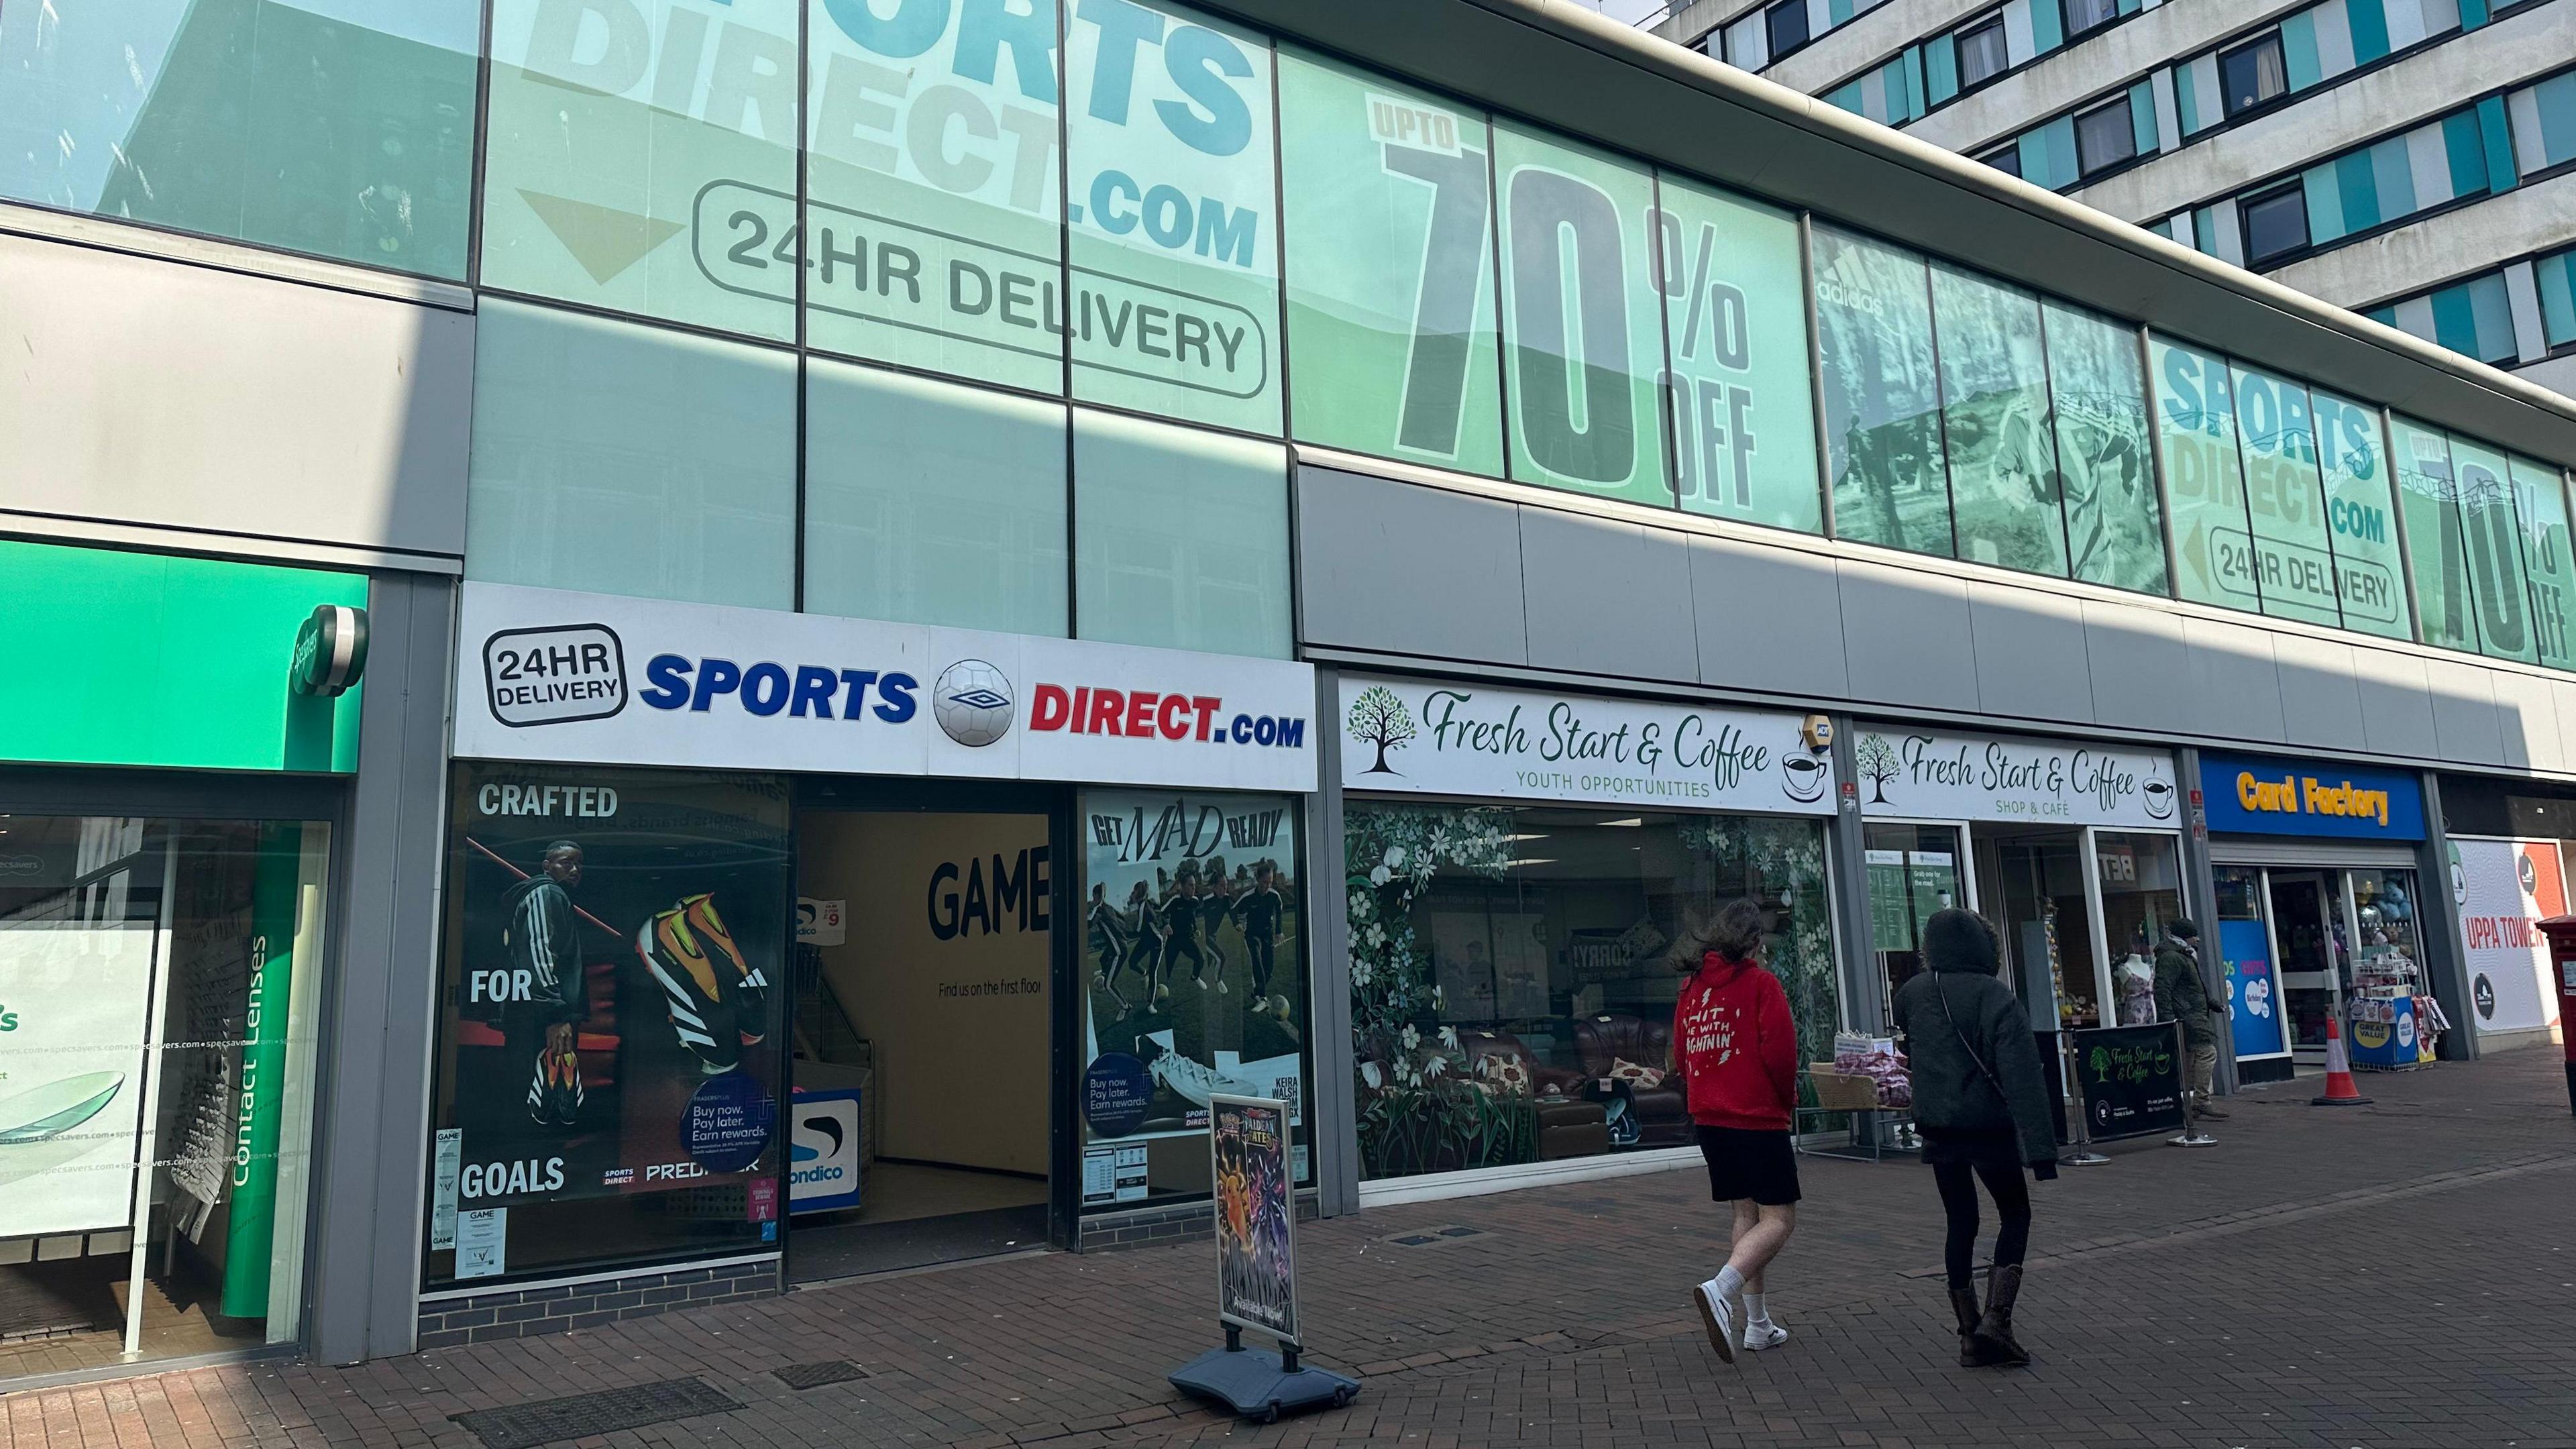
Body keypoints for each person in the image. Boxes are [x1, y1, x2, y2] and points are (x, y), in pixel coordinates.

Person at [1892, 908, 2058, 1369]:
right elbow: (2023, 1078)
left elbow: (1910, 1047)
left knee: (1960, 1222)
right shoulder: (1995, 997)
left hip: (1939, 1131)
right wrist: (2041, 1153)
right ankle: (1997, 1322)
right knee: (2015, 1214)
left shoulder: (1912, 994)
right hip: (1989, 1130)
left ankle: (1968, 1333)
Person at [1667, 898, 1800, 1364]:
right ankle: (1721, 1290)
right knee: (1779, 1219)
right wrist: (1785, 1102)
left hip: (1710, 1119)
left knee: (1746, 1216)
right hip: (1757, 1117)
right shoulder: (1763, 986)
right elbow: (1781, 1057)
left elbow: (1681, 1056)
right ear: (1755, 943)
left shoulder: (1692, 989)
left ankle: (1758, 1326)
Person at [502, 841, 586, 1128]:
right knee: (538, 1101)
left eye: (578, 864)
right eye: (566, 863)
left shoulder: (553, 894)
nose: (575, 869)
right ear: (547, 867)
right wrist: (555, 1015)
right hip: (540, 1016)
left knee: (553, 1105)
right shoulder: (545, 892)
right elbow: (541, 954)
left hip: (545, 1012)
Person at [2155, 918, 2226, 1120]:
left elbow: (2192, 988)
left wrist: (2211, 1003)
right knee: (2207, 1052)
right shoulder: (2173, 957)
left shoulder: (2181, 955)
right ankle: (2201, 1100)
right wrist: (2169, 1020)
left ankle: (2189, 1102)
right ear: (2186, 937)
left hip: (2189, 1014)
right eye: (2194, 935)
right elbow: (2163, 990)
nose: (2198, 939)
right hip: (2187, 1016)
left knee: (2190, 1060)